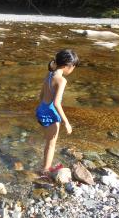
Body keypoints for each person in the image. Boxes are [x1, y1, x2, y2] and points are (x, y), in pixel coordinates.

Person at [36, 49, 79, 178]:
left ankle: (45, 166)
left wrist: (42, 109)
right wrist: (66, 122)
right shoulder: (61, 80)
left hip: (41, 111)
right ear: (68, 66)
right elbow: (56, 103)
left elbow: (41, 95)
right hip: (51, 114)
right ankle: (46, 170)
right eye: (74, 67)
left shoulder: (49, 74)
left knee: (48, 141)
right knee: (51, 144)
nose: (73, 69)